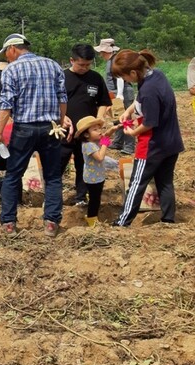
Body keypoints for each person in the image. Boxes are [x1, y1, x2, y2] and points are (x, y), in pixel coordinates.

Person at [0, 33, 67, 237]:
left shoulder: (12, 69)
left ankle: (8, 222)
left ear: (13, 48)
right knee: (52, 176)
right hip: (50, 127)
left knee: (14, 174)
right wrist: (59, 121)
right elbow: (62, 98)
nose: (7, 57)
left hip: (24, 128)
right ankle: (51, 222)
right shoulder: (53, 65)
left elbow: (6, 104)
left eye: (7, 53)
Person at [111, 49, 184, 227]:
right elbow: (140, 100)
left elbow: (150, 122)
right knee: (165, 181)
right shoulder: (156, 75)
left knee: (137, 183)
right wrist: (129, 111)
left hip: (153, 145)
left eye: (124, 77)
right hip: (171, 142)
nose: (125, 81)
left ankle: (123, 221)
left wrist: (132, 132)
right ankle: (168, 218)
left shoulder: (149, 90)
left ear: (133, 73)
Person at [59, 44, 111, 207]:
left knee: (84, 165)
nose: (84, 68)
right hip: (64, 131)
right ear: (71, 60)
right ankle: (53, 197)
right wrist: (62, 116)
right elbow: (53, 102)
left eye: (88, 64)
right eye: (81, 64)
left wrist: (99, 118)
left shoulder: (95, 78)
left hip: (87, 134)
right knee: (58, 164)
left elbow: (104, 102)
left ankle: (80, 197)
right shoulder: (61, 77)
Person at [75, 116, 119, 226]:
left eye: (99, 129)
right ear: (86, 134)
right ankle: (92, 220)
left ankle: (92, 214)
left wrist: (111, 131)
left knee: (96, 197)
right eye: (95, 130)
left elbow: (105, 136)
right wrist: (105, 143)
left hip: (97, 176)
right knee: (95, 201)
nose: (99, 131)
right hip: (93, 178)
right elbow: (100, 157)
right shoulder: (89, 145)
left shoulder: (92, 141)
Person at [95, 38, 135, 156]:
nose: (100, 54)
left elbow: (119, 78)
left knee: (126, 119)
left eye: (101, 51)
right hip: (115, 93)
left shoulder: (114, 61)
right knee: (117, 118)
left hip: (122, 93)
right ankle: (118, 141)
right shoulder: (111, 60)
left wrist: (120, 94)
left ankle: (129, 146)